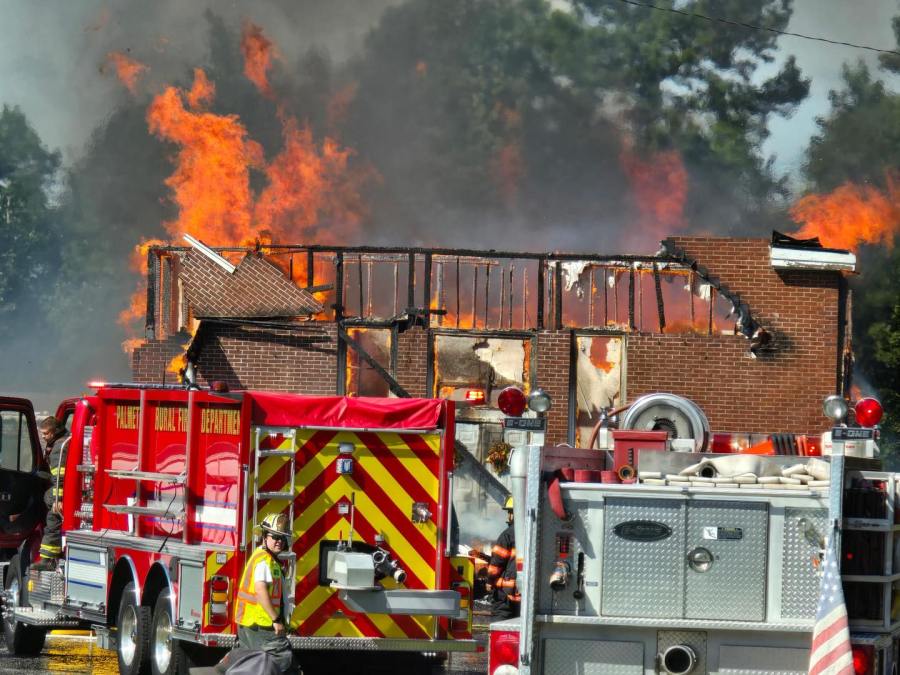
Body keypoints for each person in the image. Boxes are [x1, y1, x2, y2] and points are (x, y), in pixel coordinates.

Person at [229, 513, 297, 674]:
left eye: (282, 538)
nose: (279, 541)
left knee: (249, 662)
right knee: (282, 658)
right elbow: (260, 590)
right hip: (261, 624)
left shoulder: (266, 558)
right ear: (265, 537)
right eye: (275, 537)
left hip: (251, 623)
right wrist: (276, 620)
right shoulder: (264, 560)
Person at [32, 416, 70, 571]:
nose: (43, 437)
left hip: (62, 492)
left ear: (54, 432)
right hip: (65, 489)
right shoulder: (64, 440)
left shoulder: (58, 448)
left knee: (52, 517)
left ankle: (48, 558)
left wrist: (57, 499)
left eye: (46, 433)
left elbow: (59, 477)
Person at [487, 495, 520, 620]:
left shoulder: (508, 535)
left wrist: (489, 581)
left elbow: (496, 563)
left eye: (510, 512)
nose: (508, 516)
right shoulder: (537, 533)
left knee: (501, 626)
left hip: (506, 595)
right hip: (525, 597)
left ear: (515, 514)